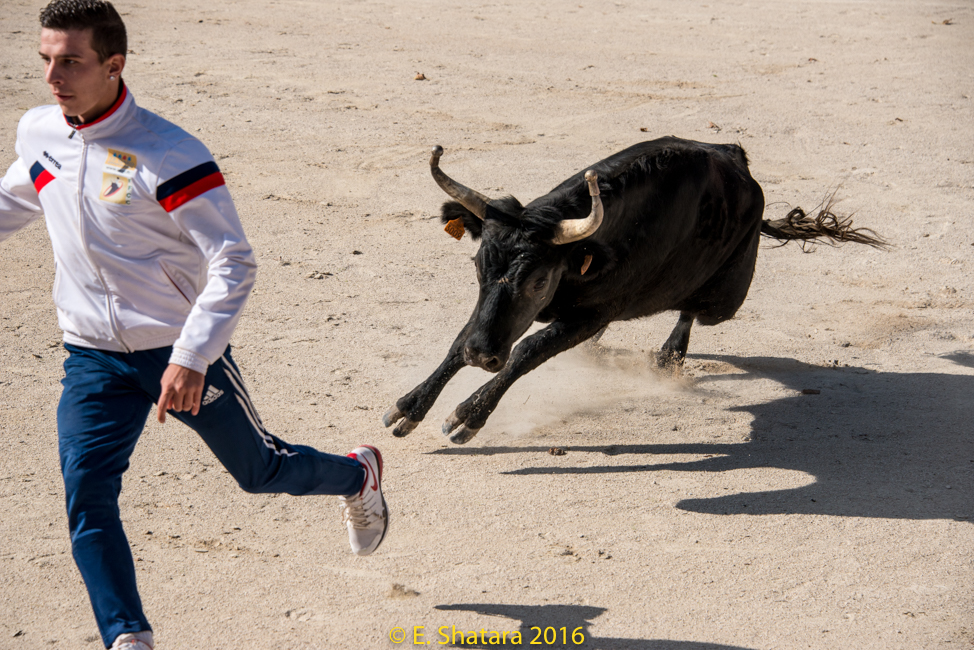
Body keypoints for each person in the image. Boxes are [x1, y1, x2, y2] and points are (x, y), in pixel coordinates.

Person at [0, 2, 389, 648]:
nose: (52, 77)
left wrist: (192, 356)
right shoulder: (41, 131)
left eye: (70, 61)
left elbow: (233, 261)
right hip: (91, 355)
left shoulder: (170, 154)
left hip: (174, 351)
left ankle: (357, 475)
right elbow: (18, 196)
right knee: (87, 496)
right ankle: (128, 636)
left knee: (258, 472)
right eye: (45, 59)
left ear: (114, 65)